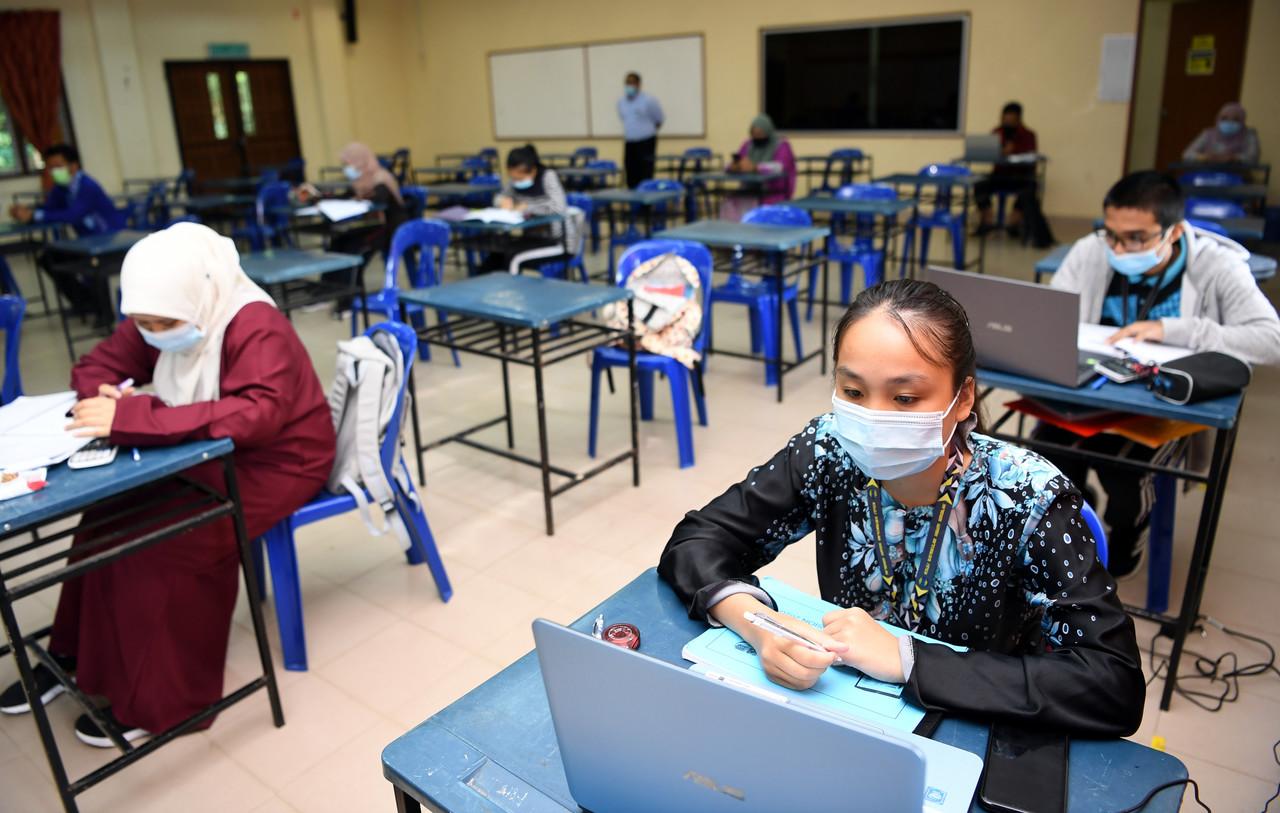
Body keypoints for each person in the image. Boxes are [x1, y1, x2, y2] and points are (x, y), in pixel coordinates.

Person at [658, 278, 1144, 737]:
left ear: (963, 397)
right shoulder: (828, 451)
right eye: (852, 392)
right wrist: (757, 623)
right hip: (842, 712)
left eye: (905, 397)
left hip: (972, 724)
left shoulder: (1026, 496)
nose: (872, 418)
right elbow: (699, 539)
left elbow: (1111, 683)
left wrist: (905, 658)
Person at [0, 223, 336, 747]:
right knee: (107, 516)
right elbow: (97, 365)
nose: (154, 331)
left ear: (199, 295)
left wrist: (131, 416)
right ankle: (75, 654)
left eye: (162, 323)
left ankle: (168, 701)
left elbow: (257, 416)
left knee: (174, 541)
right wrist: (102, 393)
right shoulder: (166, 308)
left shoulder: (253, 324)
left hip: (280, 460)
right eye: (143, 323)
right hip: (204, 445)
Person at [1039, 171, 1280, 578]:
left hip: (1162, 407)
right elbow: (1053, 316)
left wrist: (1174, 331)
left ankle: (1126, 538)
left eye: (1136, 238)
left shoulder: (1217, 265)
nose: (1118, 247)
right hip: (1090, 396)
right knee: (1044, 461)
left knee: (1126, 478)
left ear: (1174, 232)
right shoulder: (1091, 251)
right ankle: (1071, 535)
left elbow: (1269, 340)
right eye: (1111, 234)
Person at [8, 143, 127, 324]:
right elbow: (49, 209)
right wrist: (27, 212)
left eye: (58, 166)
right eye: (50, 167)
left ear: (73, 166)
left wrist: (36, 215)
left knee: (93, 266)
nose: (53, 171)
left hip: (110, 239)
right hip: (87, 242)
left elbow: (72, 215)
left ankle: (104, 312)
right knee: (50, 258)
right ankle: (84, 303)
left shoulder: (87, 186)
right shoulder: (61, 188)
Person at [300, 142, 408, 313]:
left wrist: (360, 201)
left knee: (353, 250)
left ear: (360, 161)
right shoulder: (359, 181)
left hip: (388, 229)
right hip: (365, 227)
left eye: (348, 164)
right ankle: (327, 290)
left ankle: (349, 298)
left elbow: (379, 200)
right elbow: (345, 198)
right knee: (337, 243)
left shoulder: (381, 178)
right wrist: (318, 198)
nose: (346, 169)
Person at [479, 144, 577, 273]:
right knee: (494, 258)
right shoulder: (515, 182)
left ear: (533, 170)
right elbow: (499, 197)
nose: (516, 181)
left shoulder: (548, 176)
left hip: (558, 242)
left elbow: (559, 208)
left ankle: (512, 292)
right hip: (532, 239)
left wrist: (528, 207)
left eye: (520, 178)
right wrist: (502, 201)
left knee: (514, 257)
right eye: (513, 177)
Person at [972, 102, 1052, 246]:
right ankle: (986, 221)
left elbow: (1031, 158)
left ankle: (1014, 223)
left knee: (1029, 188)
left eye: (1011, 120)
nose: (1007, 123)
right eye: (1005, 120)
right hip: (999, 175)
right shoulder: (997, 132)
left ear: (1018, 119)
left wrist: (1014, 151)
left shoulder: (1028, 135)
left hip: (1020, 176)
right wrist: (999, 153)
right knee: (979, 183)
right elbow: (989, 154)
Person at [721, 114, 796, 222]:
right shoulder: (748, 145)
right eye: (754, 134)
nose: (757, 137)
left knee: (761, 208)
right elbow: (733, 163)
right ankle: (735, 235)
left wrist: (756, 167)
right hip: (749, 189)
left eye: (760, 134)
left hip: (773, 191)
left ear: (768, 132)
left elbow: (779, 166)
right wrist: (734, 167)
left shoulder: (782, 145)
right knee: (729, 202)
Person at [617, 72, 664, 188]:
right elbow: (625, 119)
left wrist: (645, 130)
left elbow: (659, 119)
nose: (629, 86)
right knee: (631, 174)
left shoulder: (649, 101)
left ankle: (646, 206)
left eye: (632, 82)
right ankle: (633, 203)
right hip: (630, 142)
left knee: (645, 174)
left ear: (638, 84)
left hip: (646, 142)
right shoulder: (621, 102)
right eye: (627, 83)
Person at [1182, 102, 1260, 165]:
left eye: (1235, 119)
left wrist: (1234, 158)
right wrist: (1205, 157)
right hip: (1207, 176)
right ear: (1218, 119)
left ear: (1242, 121)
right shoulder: (1208, 134)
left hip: (1239, 179)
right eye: (1224, 118)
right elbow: (1187, 155)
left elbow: (1252, 158)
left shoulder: (1249, 135)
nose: (1229, 122)